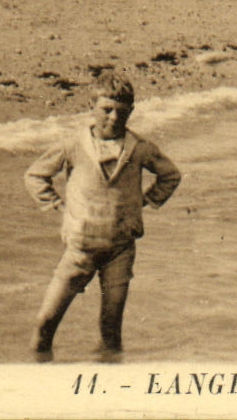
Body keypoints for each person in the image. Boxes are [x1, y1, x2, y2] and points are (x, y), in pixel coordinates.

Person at [24, 71, 183, 359]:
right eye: (106, 110)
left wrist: (143, 203)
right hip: (80, 248)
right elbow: (36, 175)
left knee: (111, 329)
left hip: (120, 250)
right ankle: (37, 377)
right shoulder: (73, 145)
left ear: (131, 111)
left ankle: (108, 380)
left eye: (121, 112)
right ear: (92, 107)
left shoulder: (139, 148)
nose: (113, 118)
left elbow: (170, 176)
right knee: (45, 323)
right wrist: (58, 207)